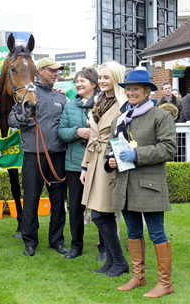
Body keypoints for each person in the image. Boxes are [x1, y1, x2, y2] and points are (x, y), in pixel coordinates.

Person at [104, 69, 176, 298]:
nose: (131, 92)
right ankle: (138, 276)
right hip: (125, 186)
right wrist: (111, 161)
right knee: (133, 232)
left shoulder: (160, 116)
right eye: (128, 89)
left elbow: (169, 149)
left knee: (157, 233)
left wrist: (136, 155)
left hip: (150, 186)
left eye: (136, 88)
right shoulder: (119, 119)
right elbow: (109, 148)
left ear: (146, 91)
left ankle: (165, 283)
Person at [8, 58, 67, 257]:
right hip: (33, 155)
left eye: (58, 71)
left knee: (58, 200)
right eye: (52, 70)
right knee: (31, 199)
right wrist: (25, 117)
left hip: (58, 155)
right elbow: (11, 119)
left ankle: (56, 241)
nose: (55, 73)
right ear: (40, 70)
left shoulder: (61, 98)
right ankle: (30, 242)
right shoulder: (27, 93)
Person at [79, 60, 128, 276]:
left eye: (106, 77)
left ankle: (118, 261)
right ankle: (112, 260)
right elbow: (93, 137)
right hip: (95, 161)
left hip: (111, 163)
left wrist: (114, 161)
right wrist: (85, 167)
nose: (102, 81)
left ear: (116, 78)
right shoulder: (99, 101)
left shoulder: (124, 104)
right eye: (100, 77)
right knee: (100, 214)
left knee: (102, 214)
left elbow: (124, 138)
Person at [58, 68, 99, 259]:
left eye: (83, 80)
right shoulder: (70, 106)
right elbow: (62, 132)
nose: (79, 84)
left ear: (94, 83)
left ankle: (105, 246)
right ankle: (76, 246)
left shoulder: (104, 104)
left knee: (101, 206)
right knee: (75, 207)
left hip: (98, 163)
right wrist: (77, 132)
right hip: (75, 164)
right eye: (77, 81)